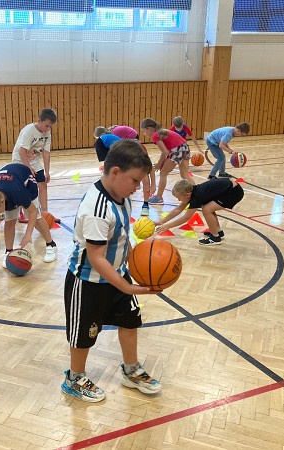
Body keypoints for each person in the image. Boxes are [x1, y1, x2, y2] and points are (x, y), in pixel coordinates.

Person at [62, 140, 162, 403]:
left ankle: (130, 370)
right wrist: (126, 286)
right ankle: (74, 378)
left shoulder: (121, 196)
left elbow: (121, 237)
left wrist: (136, 262)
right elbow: (96, 258)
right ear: (115, 172)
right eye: (135, 180)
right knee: (84, 335)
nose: (138, 187)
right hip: (88, 281)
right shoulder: (97, 209)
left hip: (117, 273)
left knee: (130, 321)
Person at [0, 163, 57, 267]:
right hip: (8, 180)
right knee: (10, 220)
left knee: (36, 218)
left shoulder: (18, 192)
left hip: (27, 182)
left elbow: (32, 212)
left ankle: (51, 245)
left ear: (3, 201)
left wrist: (28, 234)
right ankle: (8, 251)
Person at [155, 178, 244, 245]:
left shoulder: (197, 197)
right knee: (208, 208)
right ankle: (218, 232)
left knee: (207, 209)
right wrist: (161, 222)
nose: (179, 200)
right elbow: (178, 209)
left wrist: (167, 226)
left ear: (187, 195)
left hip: (233, 192)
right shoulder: (191, 192)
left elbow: (186, 217)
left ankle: (215, 238)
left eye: (179, 198)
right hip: (229, 188)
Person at [94, 127, 155, 216]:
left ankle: (145, 205)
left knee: (145, 180)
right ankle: (112, 200)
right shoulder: (125, 155)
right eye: (135, 181)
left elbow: (150, 168)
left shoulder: (142, 154)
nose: (137, 186)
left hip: (124, 153)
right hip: (113, 152)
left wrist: (153, 184)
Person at [11, 108, 58, 223]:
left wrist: (47, 171)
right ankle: (21, 213)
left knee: (43, 184)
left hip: (34, 161)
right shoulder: (29, 131)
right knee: (23, 187)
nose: (49, 129)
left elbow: (46, 152)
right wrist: (28, 167)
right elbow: (22, 151)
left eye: (51, 126)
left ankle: (45, 213)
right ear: (39, 121)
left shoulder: (47, 132)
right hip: (20, 160)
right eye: (47, 126)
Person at [140, 118, 194, 205]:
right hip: (184, 147)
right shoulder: (161, 132)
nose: (144, 133)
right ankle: (196, 194)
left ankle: (159, 198)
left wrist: (159, 164)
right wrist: (163, 162)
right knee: (184, 174)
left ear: (149, 128)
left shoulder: (155, 135)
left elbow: (165, 152)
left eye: (144, 131)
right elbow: (168, 149)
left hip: (177, 150)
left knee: (163, 173)